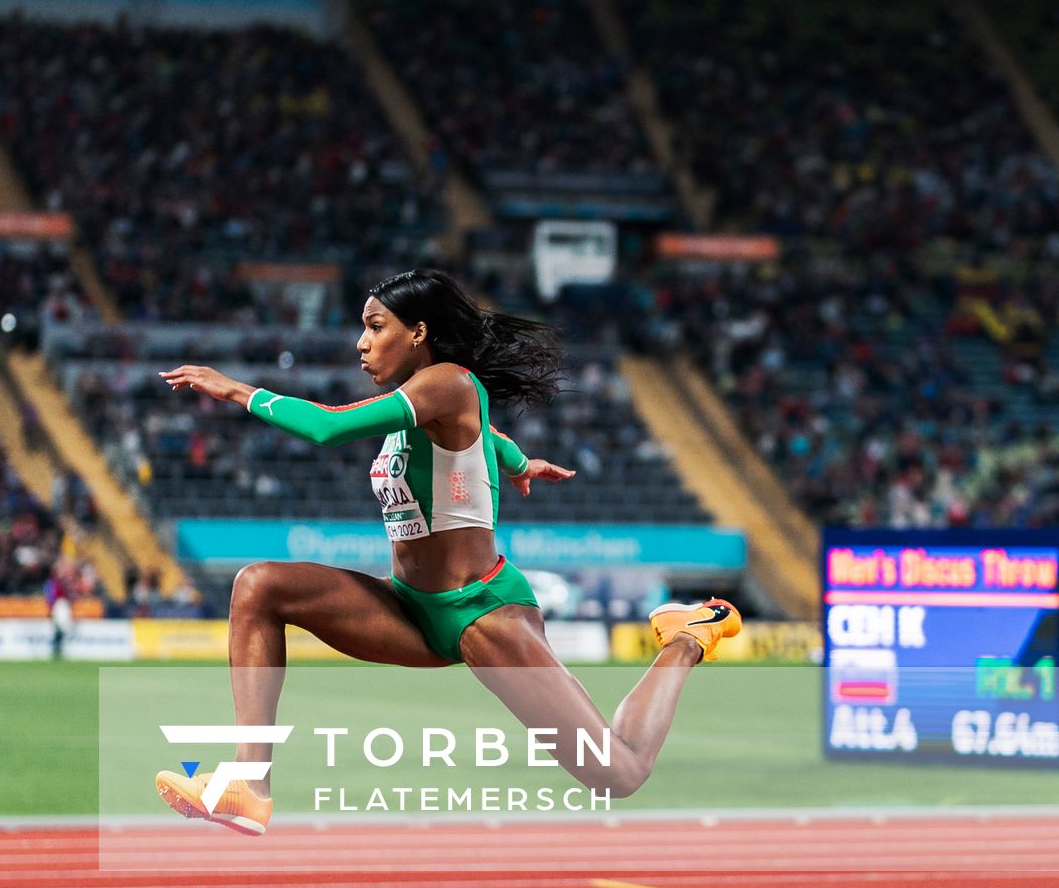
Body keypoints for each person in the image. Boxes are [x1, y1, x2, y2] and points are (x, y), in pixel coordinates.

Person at [152, 270, 740, 835]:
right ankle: (250, 786)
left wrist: (234, 389)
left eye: (375, 326)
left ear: (419, 333)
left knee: (617, 773)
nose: (361, 343)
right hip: (408, 607)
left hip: (481, 610)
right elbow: (488, 436)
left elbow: (328, 427)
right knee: (258, 585)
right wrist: (518, 463)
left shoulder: (448, 382)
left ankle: (687, 635)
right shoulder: (426, 402)